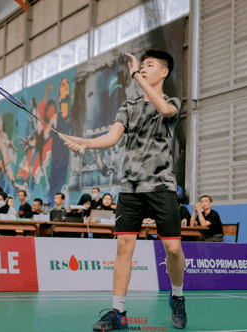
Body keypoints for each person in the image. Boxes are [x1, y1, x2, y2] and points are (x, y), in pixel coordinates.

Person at [65, 50, 187, 330]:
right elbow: (111, 137)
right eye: (141, 66)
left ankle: (177, 295)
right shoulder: (129, 106)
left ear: (164, 72)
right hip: (131, 187)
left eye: (150, 66)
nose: (143, 69)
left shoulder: (172, 103)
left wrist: (134, 76)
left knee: (172, 247)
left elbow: (164, 110)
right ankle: (117, 311)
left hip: (162, 186)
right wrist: (84, 142)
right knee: (124, 246)